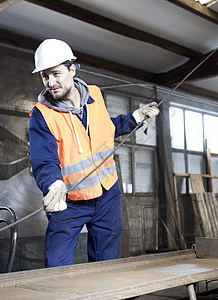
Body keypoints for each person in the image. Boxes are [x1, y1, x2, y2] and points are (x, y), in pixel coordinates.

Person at [28, 39, 159, 267]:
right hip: (70, 201)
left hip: (107, 194)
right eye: (45, 76)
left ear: (72, 69)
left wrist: (136, 117)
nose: (50, 82)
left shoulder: (95, 96)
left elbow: (104, 129)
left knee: (106, 266)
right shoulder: (42, 114)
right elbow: (44, 159)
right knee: (57, 267)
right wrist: (53, 184)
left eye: (56, 74)